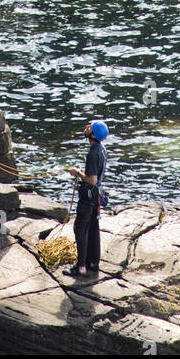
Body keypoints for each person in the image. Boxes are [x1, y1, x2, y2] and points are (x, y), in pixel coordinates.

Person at [64, 119, 108, 279]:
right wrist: (83, 171)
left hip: (88, 198)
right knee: (93, 228)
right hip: (96, 197)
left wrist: (77, 173)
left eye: (90, 127)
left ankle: (81, 267)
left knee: (80, 229)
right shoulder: (101, 150)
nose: (86, 127)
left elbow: (92, 180)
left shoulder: (92, 153)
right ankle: (92, 263)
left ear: (94, 134)